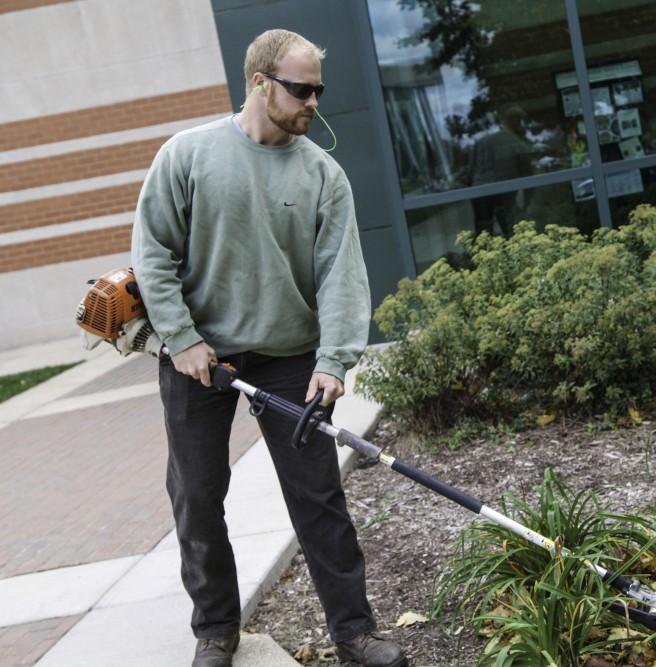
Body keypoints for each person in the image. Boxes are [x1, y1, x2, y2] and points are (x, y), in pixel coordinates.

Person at [130, 29, 407, 667]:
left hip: (290, 358)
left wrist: (334, 361)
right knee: (197, 495)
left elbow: (343, 275)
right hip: (200, 357)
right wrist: (182, 340)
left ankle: (355, 634)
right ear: (259, 82)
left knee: (317, 498)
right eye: (300, 88)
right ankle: (216, 629)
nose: (313, 102)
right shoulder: (188, 155)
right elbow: (153, 254)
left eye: (318, 91)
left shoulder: (322, 175)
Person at [468, 105, 533, 236]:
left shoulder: (482, 141)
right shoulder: (517, 144)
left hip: (480, 191)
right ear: (519, 123)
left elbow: (471, 170)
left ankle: (485, 253)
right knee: (510, 229)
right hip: (502, 192)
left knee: (484, 232)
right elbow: (528, 175)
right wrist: (527, 204)